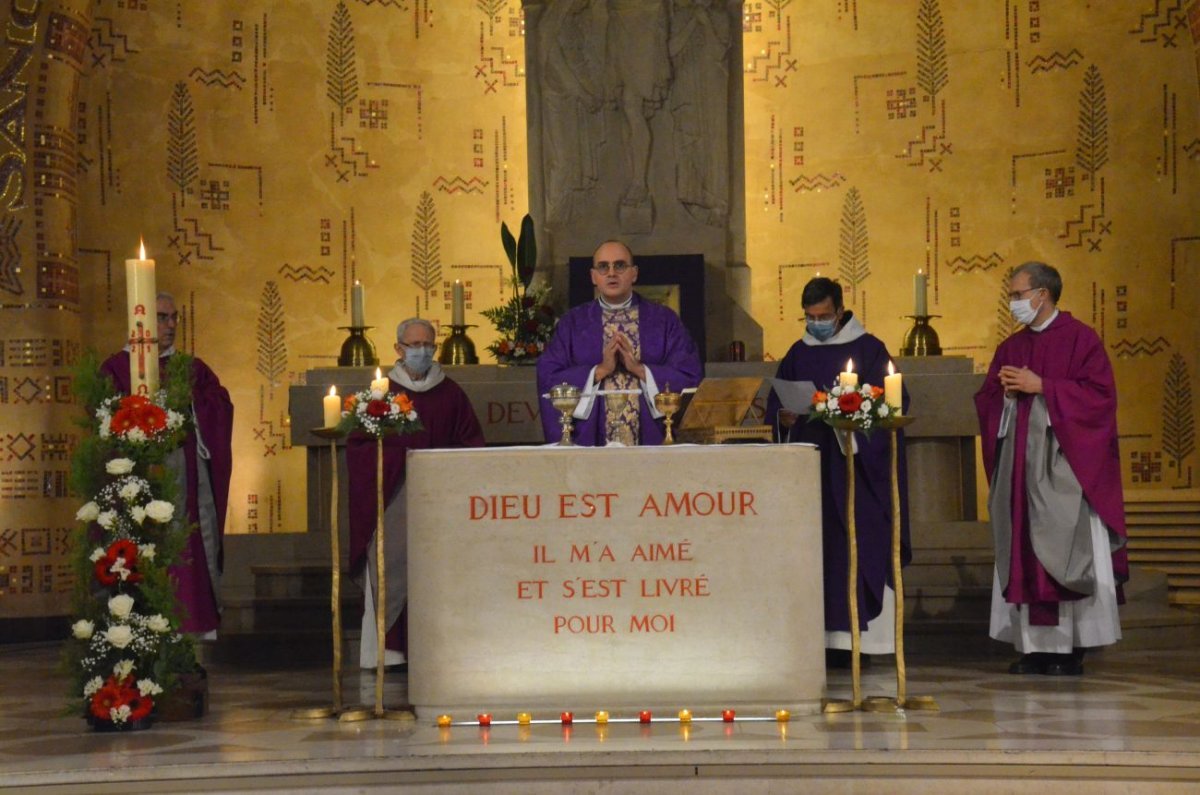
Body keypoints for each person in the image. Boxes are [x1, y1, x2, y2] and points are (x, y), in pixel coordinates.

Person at [975, 262, 1126, 676]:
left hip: (1063, 469)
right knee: (1023, 546)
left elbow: (1101, 399)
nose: (1014, 303)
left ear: (1043, 294)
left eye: (1019, 294)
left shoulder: (1081, 340)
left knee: (1062, 547)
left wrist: (1044, 387)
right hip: (1020, 471)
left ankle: (1070, 648)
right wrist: (1003, 395)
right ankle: (1034, 649)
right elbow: (989, 397)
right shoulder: (1010, 347)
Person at [764, 277, 910, 666]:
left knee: (857, 542)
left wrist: (852, 422)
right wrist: (784, 416)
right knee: (817, 548)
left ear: (840, 311)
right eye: (810, 317)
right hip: (811, 472)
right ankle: (819, 641)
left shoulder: (870, 349)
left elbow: (892, 405)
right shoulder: (797, 352)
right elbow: (775, 406)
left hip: (856, 469)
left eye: (824, 316)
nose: (817, 324)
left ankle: (865, 644)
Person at [346, 318, 485, 669]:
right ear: (398, 349)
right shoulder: (381, 395)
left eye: (428, 345)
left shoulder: (451, 393)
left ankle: (434, 651)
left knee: (436, 577)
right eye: (414, 345)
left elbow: (472, 444)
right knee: (390, 568)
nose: (422, 351)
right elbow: (359, 447)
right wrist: (398, 459)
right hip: (392, 499)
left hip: (440, 504)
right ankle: (389, 653)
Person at [100, 292, 234, 637]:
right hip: (135, 477)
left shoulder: (191, 369)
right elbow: (101, 417)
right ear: (140, 320)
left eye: (175, 318)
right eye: (163, 317)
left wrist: (189, 404)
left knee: (187, 539)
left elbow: (219, 404)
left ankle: (193, 623)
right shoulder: (116, 368)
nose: (171, 325)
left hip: (185, 474)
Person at [536, 240, 703, 446]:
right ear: (593, 276)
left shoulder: (664, 320)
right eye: (603, 266)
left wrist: (640, 369)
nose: (611, 273)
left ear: (634, 273)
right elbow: (548, 376)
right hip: (592, 442)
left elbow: (690, 374)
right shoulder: (573, 323)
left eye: (620, 265)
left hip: (651, 442)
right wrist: (599, 371)